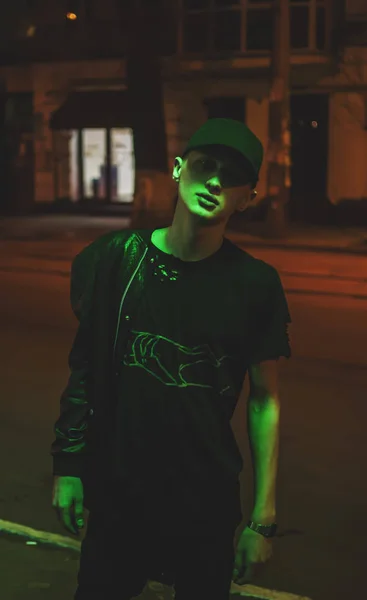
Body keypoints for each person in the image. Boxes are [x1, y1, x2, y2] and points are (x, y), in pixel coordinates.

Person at [51, 118, 291, 600]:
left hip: (204, 504)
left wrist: (261, 520)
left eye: (232, 177)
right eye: (205, 166)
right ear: (180, 170)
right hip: (121, 496)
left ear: (247, 198)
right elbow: (87, 368)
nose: (215, 182)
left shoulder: (256, 285)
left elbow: (265, 400)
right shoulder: (115, 259)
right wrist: (69, 465)